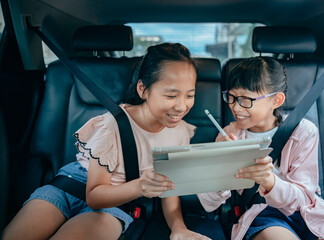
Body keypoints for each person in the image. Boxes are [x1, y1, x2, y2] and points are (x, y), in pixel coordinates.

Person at [3, 43, 210, 240]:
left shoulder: (180, 132)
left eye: (189, 95)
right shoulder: (111, 126)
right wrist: (140, 187)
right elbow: (94, 194)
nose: (182, 106)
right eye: (171, 95)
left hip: (116, 204)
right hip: (68, 187)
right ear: (143, 89)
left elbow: (168, 189)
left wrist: (179, 229)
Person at [197, 57, 324, 240]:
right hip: (263, 214)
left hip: (314, 212)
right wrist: (222, 165)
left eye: (245, 99)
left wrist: (270, 182)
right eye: (232, 97)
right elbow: (209, 203)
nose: (235, 106)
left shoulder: (303, 132)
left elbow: (304, 197)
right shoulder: (229, 136)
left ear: (276, 100)